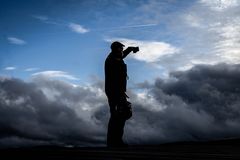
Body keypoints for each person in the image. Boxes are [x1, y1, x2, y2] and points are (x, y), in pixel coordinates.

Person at [104, 41, 139, 147]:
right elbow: (114, 78)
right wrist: (120, 93)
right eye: (120, 48)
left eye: (122, 49)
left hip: (118, 91)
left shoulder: (115, 57)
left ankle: (115, 141)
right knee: (118, 115)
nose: (122, 50)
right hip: (115, 92)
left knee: (119, 115)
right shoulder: (112, 60)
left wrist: (130, 48)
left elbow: (123, 55)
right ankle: (114, 142)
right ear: (115, 49)